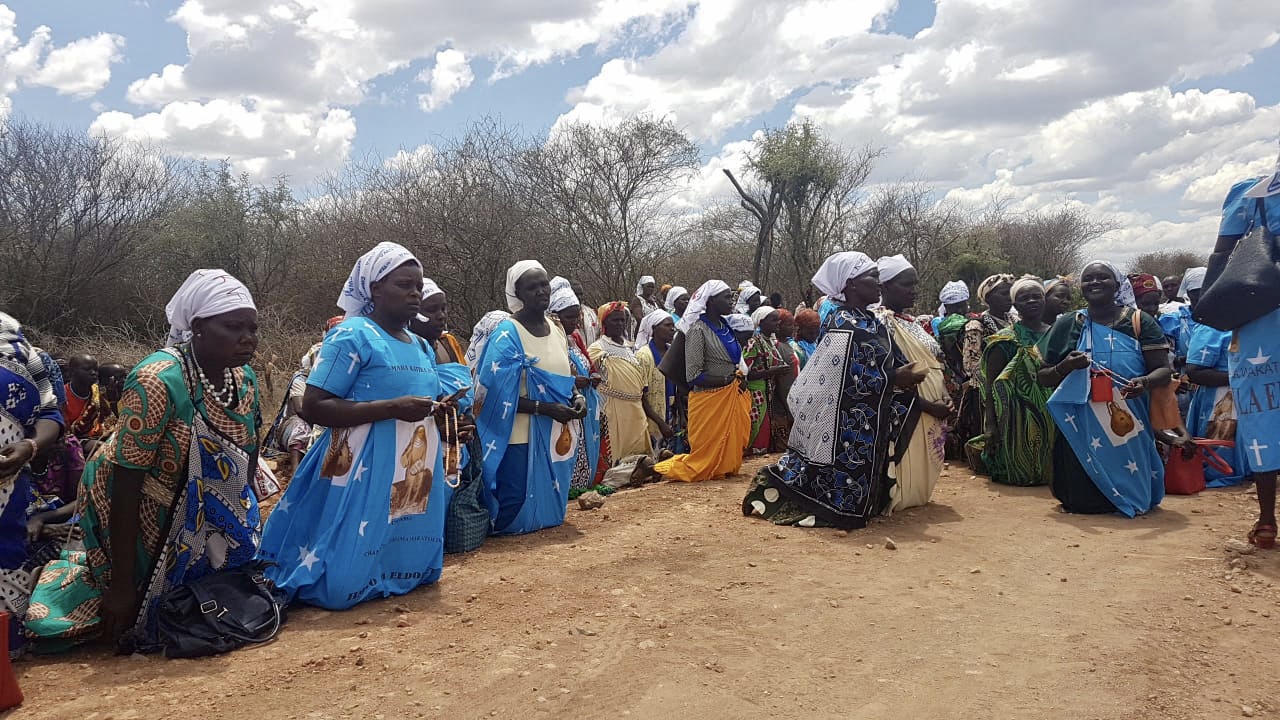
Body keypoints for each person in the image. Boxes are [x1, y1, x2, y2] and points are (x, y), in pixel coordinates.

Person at [260, 243, 467, 610]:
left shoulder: (420, 345)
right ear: (374, 289)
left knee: (410, 550)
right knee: (342, 582)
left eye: (418, 286)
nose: (415, 294)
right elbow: (314, 406)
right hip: (359, 463)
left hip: (411, 460)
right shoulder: (353, 335)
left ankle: (397, 574)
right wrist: (391, 408)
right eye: (404, 285)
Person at [78, 270, 262, 652]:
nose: (247, 338)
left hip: (211, 510)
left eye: (252, 328)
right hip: (149, 513)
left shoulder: (243, 378)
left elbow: (247, 453)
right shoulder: (157, 380)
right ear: (197, 327)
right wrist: (123, 584)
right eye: (233, 327)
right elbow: (125, 485)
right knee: (154, 619)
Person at [743, 252, 926, 528]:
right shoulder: (842, 324)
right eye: (872, 277)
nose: (879, 284)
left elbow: (884, 360)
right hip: (845, 421)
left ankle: (862, 507)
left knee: (865, 471)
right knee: (846, 476)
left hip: (870, 415)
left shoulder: (870, 321)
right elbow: (847, 379)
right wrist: (895, 377)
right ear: (850, 284)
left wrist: (902, 373)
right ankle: (835, 509)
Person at [1037, 261, 1168, 516]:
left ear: (1118, 285)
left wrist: (1145, 382)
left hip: (1128, 414)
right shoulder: (1068, 323)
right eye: (1088, 279)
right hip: (1081, 419)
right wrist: (1065, 367)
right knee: (1081, 497)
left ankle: (1127, 496)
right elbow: (1042, 377)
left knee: (1130, 467)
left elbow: (1163, 370)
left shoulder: (1139, 321)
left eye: (1103, 278)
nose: (1095, 282)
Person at [476, 261, 585, 534]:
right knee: (516, 502)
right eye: (531, 287)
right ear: (518, 294)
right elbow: (492, 395)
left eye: (544, 284)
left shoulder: (557, 329)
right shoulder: (507, 334)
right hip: (518, 434)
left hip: (554, 433)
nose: (540, 291)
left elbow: (565, 373)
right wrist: (544, 408)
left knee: (552, 505)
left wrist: (576, 395)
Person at [1208, 174, 1279, 547]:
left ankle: (1267, 521)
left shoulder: (1250, 193)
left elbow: (1222, 256)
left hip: (1259, 317)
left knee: (1262, 411)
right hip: (1260, 319)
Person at [0, 313, 65, 657]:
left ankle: (8, 649)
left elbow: (50, 414)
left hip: (8, 486)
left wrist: (30, 446)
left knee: (8, 556)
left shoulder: (20, 349)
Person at [653, 281, 752, 482]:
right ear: (712, 301)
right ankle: (659, 468)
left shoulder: (725, 325)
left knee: (727, 456)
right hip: (709, 400)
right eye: (726, 297)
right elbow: (694, 374)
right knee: (701, 464)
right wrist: (725, 380)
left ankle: (723, 467)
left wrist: (736, 379)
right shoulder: (698, 330)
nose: (731, 300)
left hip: (729, 395)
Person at [876, 255, 951, 510]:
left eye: (914, 284)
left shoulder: (913, 322)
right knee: (905, 459)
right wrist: (927, 405)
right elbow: (889, 374)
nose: (913, 291)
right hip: (909, 409)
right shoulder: (880, 322)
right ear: (884, 287)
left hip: (932, 407)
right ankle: (898, 498)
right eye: (906, 285)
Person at [980, 276, 1055, 486]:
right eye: (1024, 298)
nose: (1031, 301)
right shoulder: (1004, 339)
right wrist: (991, 425)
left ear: (1044, 299)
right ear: (1015, 304)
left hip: (1052, 412)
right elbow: (990, 384)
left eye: (1036, 296)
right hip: (1015, 415)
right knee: (1016, 474)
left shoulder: (1056, 334)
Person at [1183, 273, 1246, 487]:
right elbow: (1195, 371)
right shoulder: (1211, 326)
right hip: (1220, 398)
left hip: (1247, 393)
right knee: (1221, 451)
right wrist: (1239, 377)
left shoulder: (1250, 319)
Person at [549, 281, 604, 491]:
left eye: (577, 315)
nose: (576, 321)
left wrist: (592, 375)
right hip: (564, 404)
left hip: (584, 401)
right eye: (570, 316)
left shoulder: (574, 338)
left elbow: (587, 364)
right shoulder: (552, 340)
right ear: (555, 315)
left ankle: (584, 485)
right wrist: (573, 382)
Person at [590, 302, 654, 463]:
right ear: (604, 323)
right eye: (615, 320)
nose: (619, 324)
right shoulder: (597, 349)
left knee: (640, 451)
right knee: (618, 454)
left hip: (636, 408)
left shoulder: (630, 348)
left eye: (622, 320)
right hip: (614, 408)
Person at [936, 281, 976, 460]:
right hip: (967, 374)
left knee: (952, 413)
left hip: (949, 374)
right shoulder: (968, 324)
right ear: (963, 304)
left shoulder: (941, 325)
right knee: (967, 412)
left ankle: (951, 450)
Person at [743, 306, 788, 454]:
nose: (778, 323)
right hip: (756, 395)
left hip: (767, 393)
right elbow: (745, 373)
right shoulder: (753, 342)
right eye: (774, 320)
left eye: (778, 319)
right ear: (761, 322)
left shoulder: (770, 342)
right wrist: (773, 371)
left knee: (766, 430)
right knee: (757, 430)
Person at [634, 310, 678, 453]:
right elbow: (641, 395)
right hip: (652, 419)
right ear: (654, 329)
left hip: (671, 415)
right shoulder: (643, 356)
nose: (672, 329)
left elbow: (678, 386)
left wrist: (681, 416)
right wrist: (661, 423)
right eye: (667, 325)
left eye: (673, 326)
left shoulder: (671, 351)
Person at [409, 279, 468, 364]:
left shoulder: (449, 343)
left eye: (443, 309)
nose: (441, 316)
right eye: (432, 310)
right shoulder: (401, 349)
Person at [63, 353, 110, 453]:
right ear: (72, 372)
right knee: (101, 448)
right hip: (71, 442)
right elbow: (63, 433)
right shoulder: (61, 397)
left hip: (100, 436)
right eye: (87, 369)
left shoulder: (98, 393)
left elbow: (108, 420)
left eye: (95, 370)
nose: (94, 373)